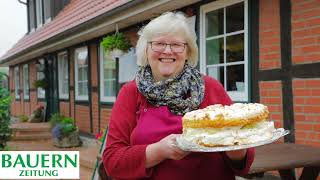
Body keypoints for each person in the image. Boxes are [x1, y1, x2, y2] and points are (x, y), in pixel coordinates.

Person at [102, 11, 254, 180]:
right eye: (159, 43)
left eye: (176, 44)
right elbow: (112, 162)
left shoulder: (210, 87)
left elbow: (242, 163)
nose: (168, 51)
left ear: (188, 52)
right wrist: (159, 151)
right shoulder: (131, 92)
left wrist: (237, 151)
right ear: (146, 50)